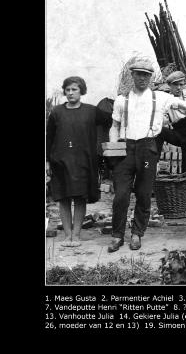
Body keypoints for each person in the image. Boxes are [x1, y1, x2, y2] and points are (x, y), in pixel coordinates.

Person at [107, 57, 186, 252]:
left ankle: (137, 234)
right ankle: (117, 235)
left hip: (147, 149)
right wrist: (114, 144)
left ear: (151, 77)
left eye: (146, 75)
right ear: (133, 75)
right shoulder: (122, 99)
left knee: (144, 194)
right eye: (139, 74)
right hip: (126, 150)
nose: (142, 78)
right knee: (121, 195)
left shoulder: (160, 97)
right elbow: (115, 126)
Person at [46, 76, 112, 247]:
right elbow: (49, 138)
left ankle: (77, 235)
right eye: (67, 90)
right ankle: (67, 236)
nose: (70, 93)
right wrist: (47, 161)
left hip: (83, 161)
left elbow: (111, 119)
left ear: (81, 90)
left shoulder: (91, 111)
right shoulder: (56, 112)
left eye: (74, 89)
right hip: (60, 162)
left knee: (80, 198)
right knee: (63, 198)